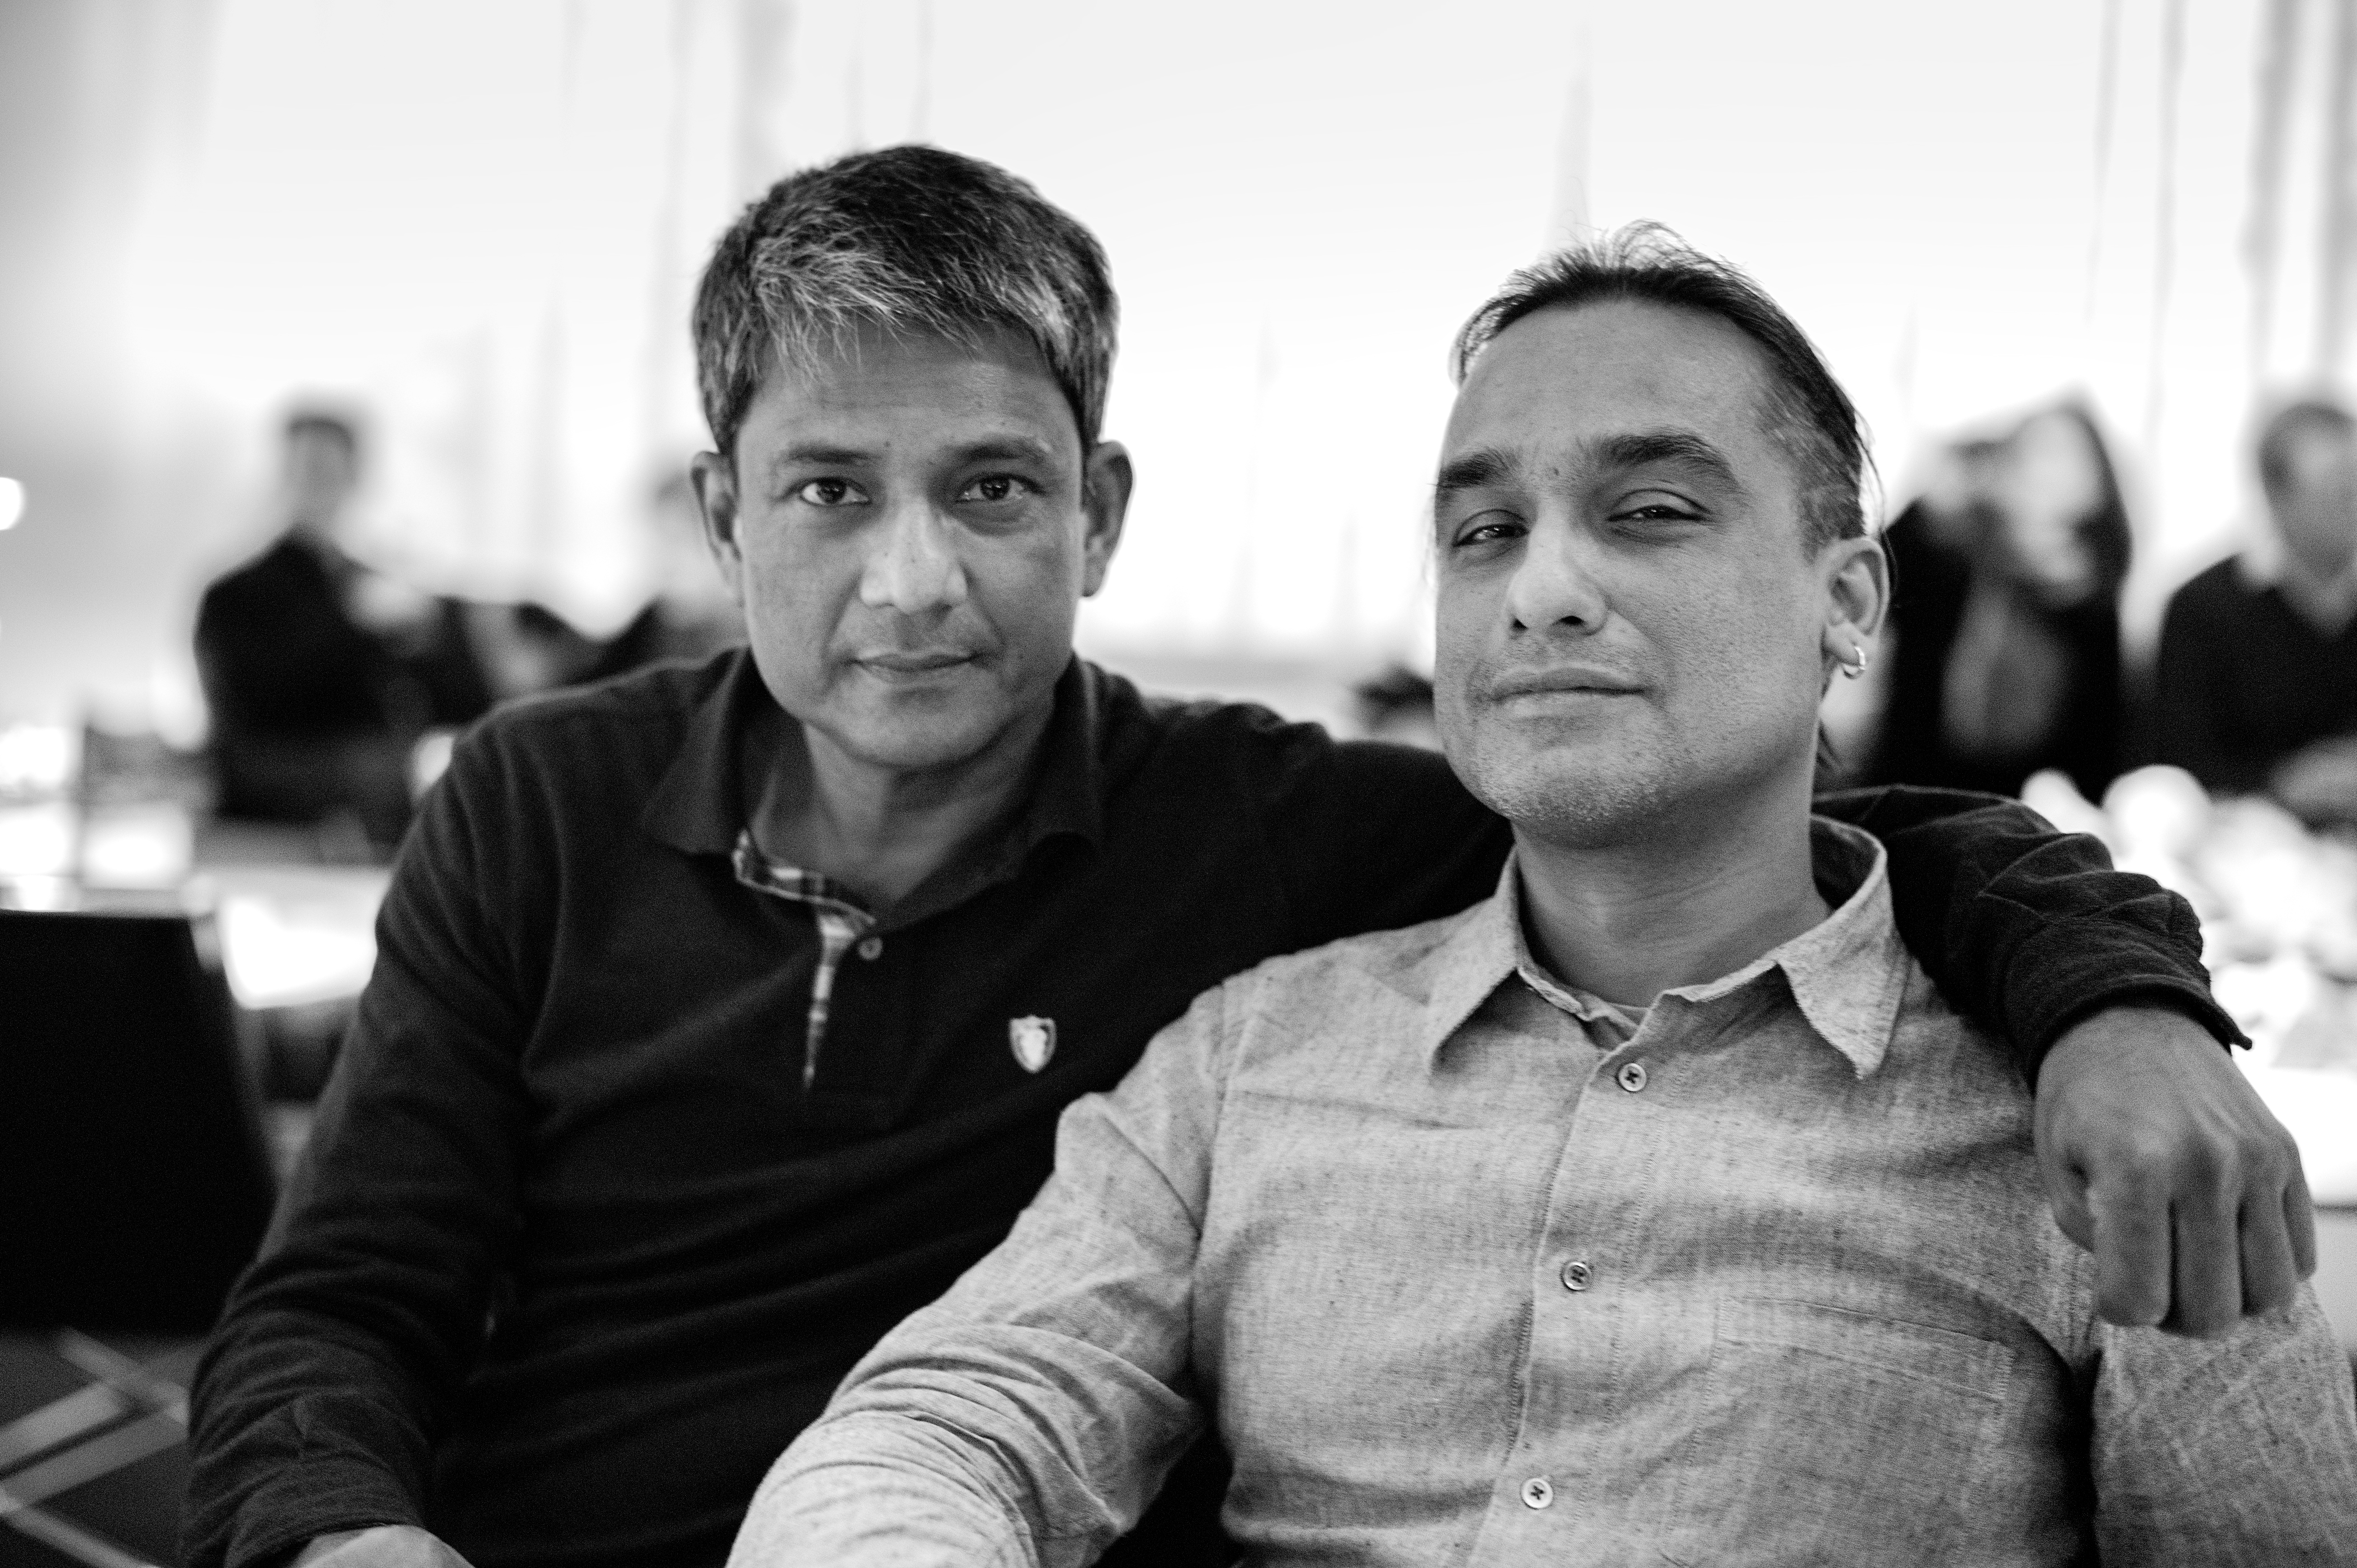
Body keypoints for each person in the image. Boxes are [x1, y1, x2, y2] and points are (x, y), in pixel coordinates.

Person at [184, 151, 2309, 1568]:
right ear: (724, 513)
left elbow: (1763, 816)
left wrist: (2118, 993)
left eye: (992, 489)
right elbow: (339, 1305)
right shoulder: (545, 798)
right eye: (826, 490)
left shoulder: (1264, 841)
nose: (912, 580)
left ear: (1099, 515)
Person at [732, 223, 2356, 1567]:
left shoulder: (2108, 1139)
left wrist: (2125, 1004)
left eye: (1648, 512)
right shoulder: (1248, 1064)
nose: (1542, 586)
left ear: (1843, 603)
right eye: (1482, 529)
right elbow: (961, 1416)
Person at [194, 411, 496, 850]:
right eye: (303, 466)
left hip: (374, 772)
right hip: (273, 775)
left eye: (327, 467)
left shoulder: (372, 584)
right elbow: (257, 706)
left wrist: (435, 634)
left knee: (468, 771)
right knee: (387, 773)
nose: (314, 481)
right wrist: (356, 626)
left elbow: (447, 699)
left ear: (354, 475)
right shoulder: (235, 595)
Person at [1866, 402, 2131, 801]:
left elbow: (2099, 748)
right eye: (2029, 453)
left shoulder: (2093, 600)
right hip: (1913, 795)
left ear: (2096, 483)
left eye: (2061, 454)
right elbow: (1870, 584)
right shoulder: (1953, 556)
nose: (2042, 471)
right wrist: (1936, 495)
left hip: (2029, 814)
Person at [2157, 397, 2357, 823]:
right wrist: (2282, 784)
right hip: (2241, 843)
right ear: (2275, 497)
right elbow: (2175, 764)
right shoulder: (2203, 607)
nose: (2351, 503)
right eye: (2335, 490)